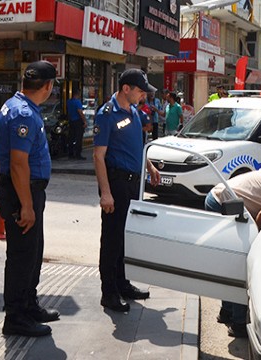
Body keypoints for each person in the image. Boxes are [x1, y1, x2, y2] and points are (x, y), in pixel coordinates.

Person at [0, 60, 59, 337]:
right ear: (47, 86)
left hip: (23, 190)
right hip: (24, 192)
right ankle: (16, 317)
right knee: (22, 256)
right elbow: (19, 163)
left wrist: (1, 186)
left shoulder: (16, 106)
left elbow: (2, 153)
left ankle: (29, 305)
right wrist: (27, 206)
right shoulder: (23, 114)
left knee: (33, 253)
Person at [93, 69, 161, 312]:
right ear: (126, 89)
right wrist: (105, 192)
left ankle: (122, 284)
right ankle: (108, 292)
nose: (143, 95)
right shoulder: (107, 115)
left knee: (125, 237)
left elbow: (137, 146)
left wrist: (150, 166)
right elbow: (98, 156)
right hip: (116, 183)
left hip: (133, 182)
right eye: (140, 90)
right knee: (111, 240)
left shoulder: (133, 111)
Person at [204, 169, 261, 338]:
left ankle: (226, 311)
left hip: (217, 196)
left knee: (228, 261)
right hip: (222, 202)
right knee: (238, 263)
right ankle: (239, 323)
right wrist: (257, 239)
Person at [66, 89, 87, 160]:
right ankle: (78, 154)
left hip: (71, 120)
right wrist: (84, 121)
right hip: (77, 121)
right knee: (78, 138)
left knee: (71, 137)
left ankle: (70, 153)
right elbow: (80, 112)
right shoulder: (77, 102)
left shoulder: (69, 101)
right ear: (78, 94)